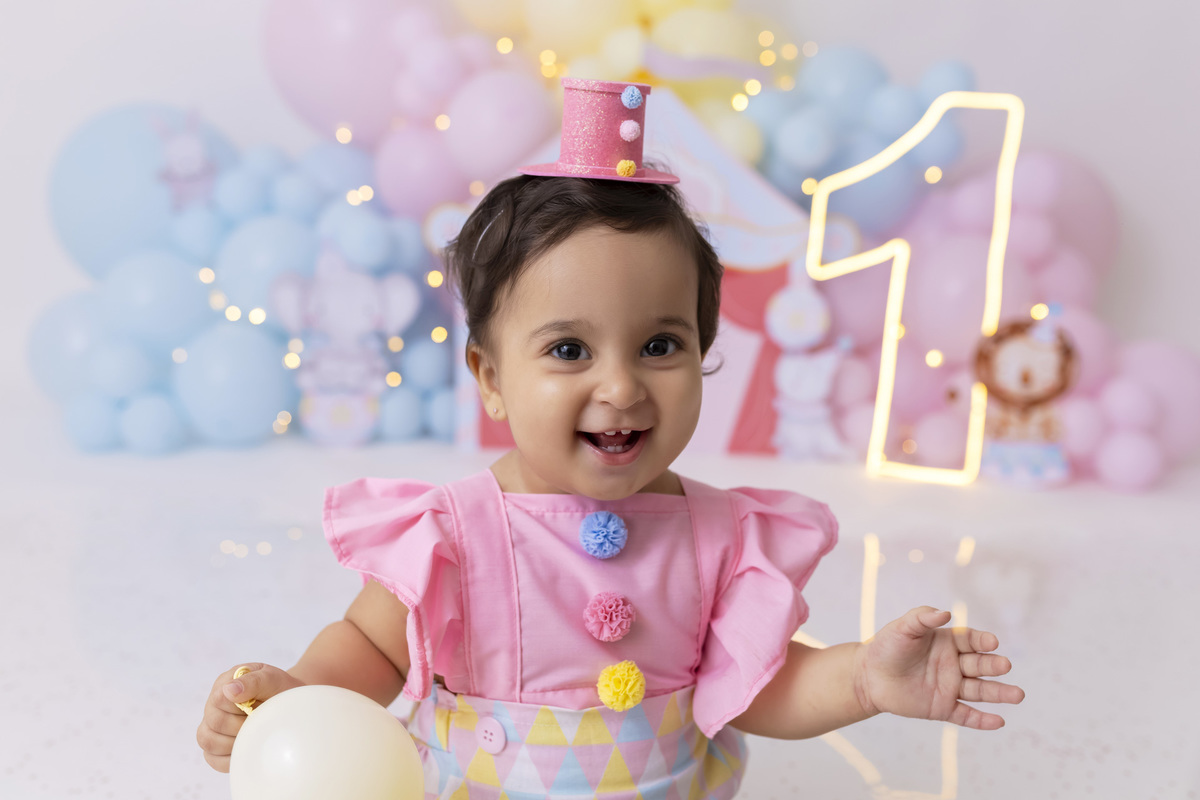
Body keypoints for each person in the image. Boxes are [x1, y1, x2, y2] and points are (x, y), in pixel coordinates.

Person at [197, 79, 1023, 798]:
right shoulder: (455, 533)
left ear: (704, 354)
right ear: (490, 376)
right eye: (568, 350)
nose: (621, 387)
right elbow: (371, 649)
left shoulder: (721, 537)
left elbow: (758, 690)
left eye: (661, 345)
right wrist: (299, 695)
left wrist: (861, 677)